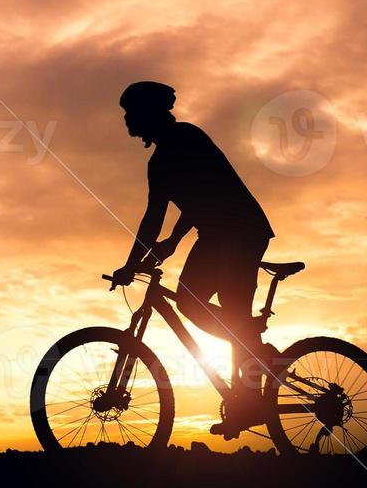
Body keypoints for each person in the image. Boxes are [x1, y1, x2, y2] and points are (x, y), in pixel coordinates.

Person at [111, 80, 275, 437]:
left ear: (147, 112)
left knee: (214, 308)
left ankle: (253, 366)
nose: (126, 120)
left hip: (239, 232)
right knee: (199, 304)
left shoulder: (185, 138)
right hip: (218, 234)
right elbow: (175, 207)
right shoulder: (162, 158)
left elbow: (187, 201)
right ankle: (252, 358)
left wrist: (132, 262)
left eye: (130, 113)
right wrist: (170, 240)